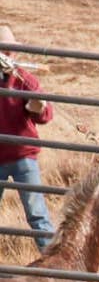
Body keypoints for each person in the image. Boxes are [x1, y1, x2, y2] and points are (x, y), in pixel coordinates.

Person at [0, 25, 55, 251]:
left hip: (24, 154)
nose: (7, 55)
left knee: (37, 215)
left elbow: (46, 114)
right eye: (3, 50)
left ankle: (54, 268)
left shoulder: (24, 78)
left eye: (10, 51)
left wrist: (37, 108)